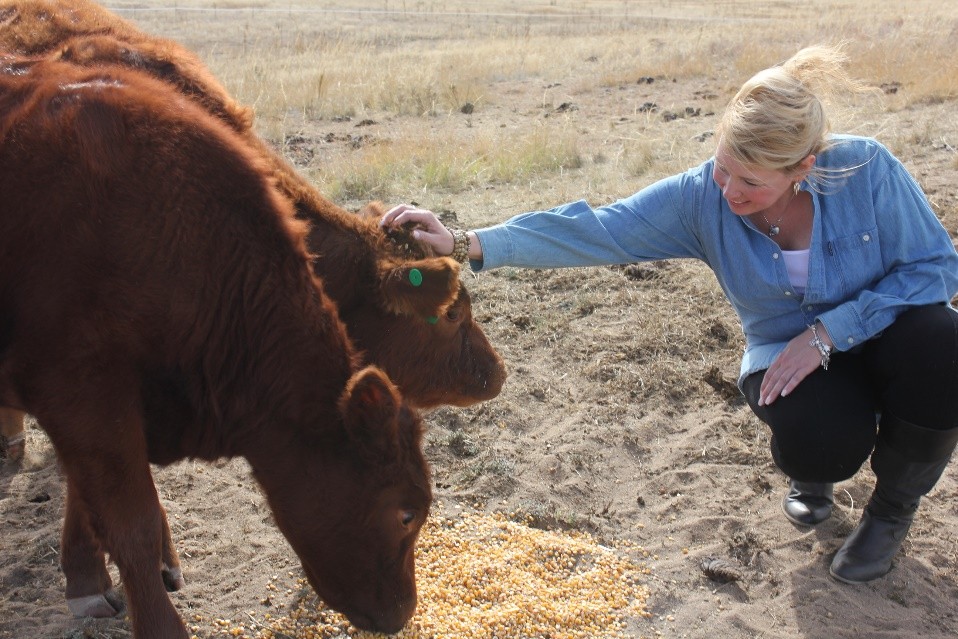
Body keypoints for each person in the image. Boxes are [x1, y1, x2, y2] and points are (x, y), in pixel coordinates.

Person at [381, 44, 958, 584]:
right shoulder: (698, 198)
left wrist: (834, 329)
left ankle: (890, 514)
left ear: (802, 168)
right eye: (723, 166)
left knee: (943, 340)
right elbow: (602, 229)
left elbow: (937, 268)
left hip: (885, 338)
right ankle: (814, 472)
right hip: (785, 357)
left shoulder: (867, 171)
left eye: (751, 182)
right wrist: (464, 240)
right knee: (822, 437)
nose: (728, 190)